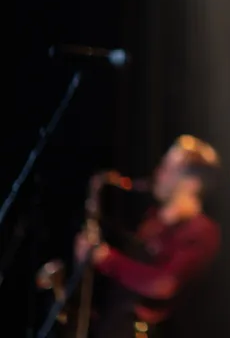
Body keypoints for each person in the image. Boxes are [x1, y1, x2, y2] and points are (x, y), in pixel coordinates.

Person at [74, 135, 222, 338]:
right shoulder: (154, 221)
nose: (158, 173)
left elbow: (164, 284)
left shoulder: (201, 231)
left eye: (168, 168)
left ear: (192, 183)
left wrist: (106, 258)